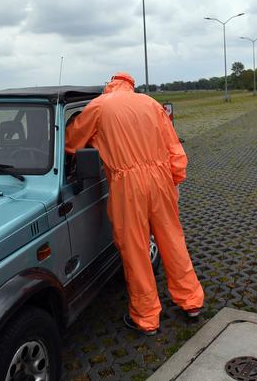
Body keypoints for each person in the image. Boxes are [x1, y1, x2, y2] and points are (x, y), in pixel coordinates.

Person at [65, 72, 204, 335]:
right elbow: (174, 147)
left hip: (126, 184)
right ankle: (191, 301)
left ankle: (147, 317)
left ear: (110, 85)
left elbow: (72, 143)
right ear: (131, 86)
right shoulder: (151, 103)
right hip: (161, 180)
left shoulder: (98, 106)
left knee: (136, 249)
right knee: (172, 239)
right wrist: (174, 178)